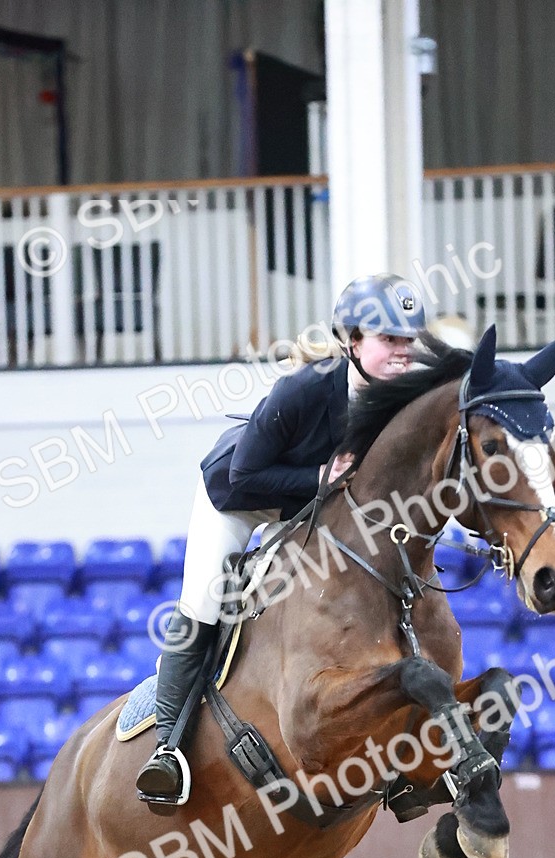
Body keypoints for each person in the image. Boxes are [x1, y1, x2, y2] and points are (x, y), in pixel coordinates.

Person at [136, 273, 427, 803]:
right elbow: (247, 475)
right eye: (390, 341)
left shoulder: (403, 401)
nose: (403, 353)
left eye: (408, 341)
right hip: (239, 498)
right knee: (205, 602)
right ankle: (168, 748)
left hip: (311, 508)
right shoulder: (305, 388)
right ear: (352, 341)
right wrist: (318, 477)